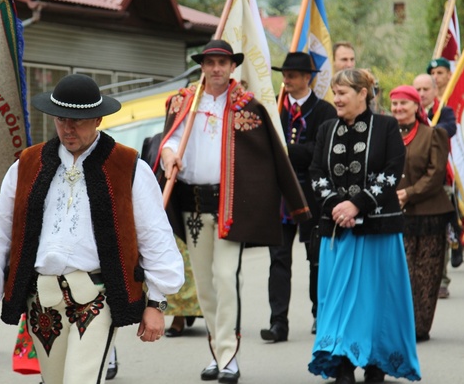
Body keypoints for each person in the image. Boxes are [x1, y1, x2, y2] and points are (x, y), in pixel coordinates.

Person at [0, 74, 184, 384]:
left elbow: (154, 236)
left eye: (79, 120)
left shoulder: (128, 166)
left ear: (98, 119)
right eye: (62, 119)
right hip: (42, 302)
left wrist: (157, 302)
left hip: (94, 299)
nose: (68, 127)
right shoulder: (28, 164)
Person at [158, 39, 311, 383]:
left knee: (226, 278)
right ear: (202, 66)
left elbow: (270, 158)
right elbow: (168, 139)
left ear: (232, 67)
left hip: (229, 209)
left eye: (222, 63)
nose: (216, 69)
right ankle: (218, 348)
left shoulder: (247, 107)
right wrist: (169, 157)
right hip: (193, 207)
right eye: (210, 62)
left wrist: (298, 207)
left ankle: (229, 356)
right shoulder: (184, 101)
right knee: (205, 287)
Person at [308, 69, 420, 383]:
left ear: (363, 94)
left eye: (343, 92)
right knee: (339, 299)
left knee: (377, 300)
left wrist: (358, 203)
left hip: (379, 232)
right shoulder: (327, 128)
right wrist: (335, 205)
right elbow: (316, 172)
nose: (336, 98)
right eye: (335, 92)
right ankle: (342, 361)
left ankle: (376, 363)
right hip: (338, 231)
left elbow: (392, 170)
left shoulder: (386, 126)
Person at [261, 52, 336, 343]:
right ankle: (278, 322)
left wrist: (282, 149)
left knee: (316, 259)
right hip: (280, 198)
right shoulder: (274, 110)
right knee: (278, 261)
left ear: (308, 78)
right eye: (285, 75)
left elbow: (319, 153)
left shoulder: (325, 112)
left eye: (292, 75)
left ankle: (321, 314)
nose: (286, 80)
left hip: (312, 198)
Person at [390, 85, 454, 342]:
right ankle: (401, 323)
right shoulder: (387, 135)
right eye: (394, 104)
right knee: (402, 271)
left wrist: (408, 193)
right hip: (396, 214)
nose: (398, 109)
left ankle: (420, 326)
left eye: (404, 104)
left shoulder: (433, 134)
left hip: (430, 213)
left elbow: (436, 174)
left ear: (417, 106)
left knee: (426, 273)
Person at [141, 132, 201, 338]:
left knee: (189, 267)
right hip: (161, 209)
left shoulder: (189, 139)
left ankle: (184, 316)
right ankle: (176, 316)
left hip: (183, 210)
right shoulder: (153, 141)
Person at [416, 68, 458, 299]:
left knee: (440, 233)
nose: (421, 93)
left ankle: (441, 279)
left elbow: (448, 130)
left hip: (440, 181)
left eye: (425, 89)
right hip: (413, 182)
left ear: (435, 90)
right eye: (418, 89)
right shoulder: (409, 112)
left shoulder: (444, 111)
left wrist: (427, 132)